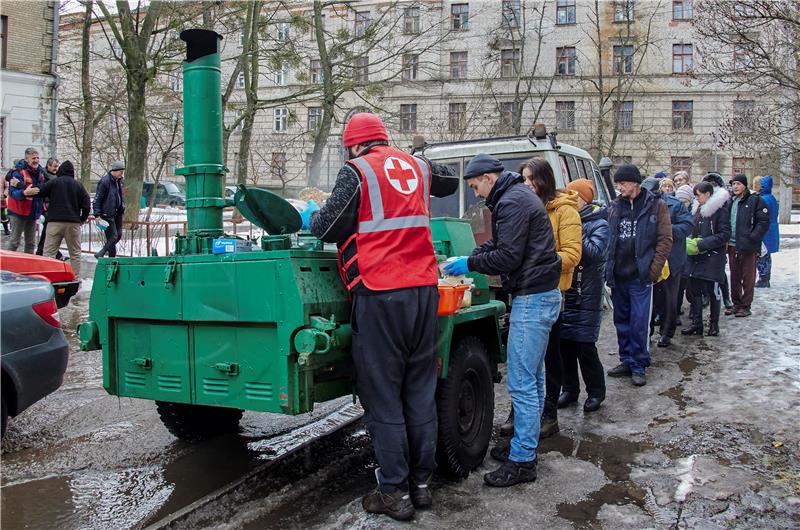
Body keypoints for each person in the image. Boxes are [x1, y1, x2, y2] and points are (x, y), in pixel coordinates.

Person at [308, 113, 455, 520]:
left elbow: (328, 228)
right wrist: (413, 156)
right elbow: (449, 179)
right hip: (424, 291)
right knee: (419, 390)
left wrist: (312, 216)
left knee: (384, 396)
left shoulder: (357, 171)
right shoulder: (416, 166)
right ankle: (421, 486)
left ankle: (393, 493)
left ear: (354, 145)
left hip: (380, 292)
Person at [444, 153, 561, 488]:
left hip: (533, 297)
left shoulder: (511, 201)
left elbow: (509, 256)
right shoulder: (517, 196)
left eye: (475, 186)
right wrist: (473, 255)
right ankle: (524, 447)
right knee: (534, 380)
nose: (476, 193)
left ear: (489, 178)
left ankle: (522, 461)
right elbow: (503, 243)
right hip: (543, 294)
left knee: (522, 383)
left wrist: (469, 264)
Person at [514, 157, 581, 439]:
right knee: (526, 361)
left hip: (551, 291)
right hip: (525, 289)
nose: (528, 184)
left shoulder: (564, 211)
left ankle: (549, 414)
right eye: (524, 179)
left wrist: (541, 261)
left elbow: (573, 254)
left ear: (545, 180)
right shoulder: (523, 208)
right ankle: (522, 414)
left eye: (533, 179)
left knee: (549, 354)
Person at [605, 164, 672, 387]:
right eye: (618, 184)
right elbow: (610, 239)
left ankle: (639, 364)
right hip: (619, 275)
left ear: (635, 183)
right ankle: (625, 359)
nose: (620, 188)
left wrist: (653, 270)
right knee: (621, 321)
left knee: (639, 322)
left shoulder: (656, 206)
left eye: (622, 183)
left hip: (641, 276)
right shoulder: (615, 206)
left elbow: (665, 240)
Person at [558, 179, 609, 413]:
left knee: (585, 347)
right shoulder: (568, 219)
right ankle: (570, 389)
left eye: (573, 195)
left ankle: (596, 391)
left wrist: (575, 230)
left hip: (587, 295)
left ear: (583, 200)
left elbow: (594, 254)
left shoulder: (600, 224)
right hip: (566, 293)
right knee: (565, 345)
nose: (569, 199)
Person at [641, 177, 693, 347]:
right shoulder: (642, 203)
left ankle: (667, 332)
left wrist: (666, 229)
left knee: (670, 298)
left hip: (672, 259)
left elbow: (687, 226)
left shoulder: (674, 205)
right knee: (649, 298)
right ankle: (647, 332)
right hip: (650, 258)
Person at [682, 182, 731, 336]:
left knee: (713, 292)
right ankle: (697, 323)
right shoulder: (698, 209)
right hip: (696, 257)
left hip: (713, 258)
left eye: (699, 195)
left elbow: (724, 235)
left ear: (708, 194)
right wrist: (690, 240)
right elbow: (693, 229)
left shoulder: (720, 210)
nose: (697, 198)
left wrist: (703, 243)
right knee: (695, 291)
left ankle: (714, 324)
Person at [30, 161, 91, 277]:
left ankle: (49, 278)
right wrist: (81, 219)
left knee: (49, 252)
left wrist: (24, 189)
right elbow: (87, 205)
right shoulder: (78, 185)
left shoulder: (54, 182)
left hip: (54, 222)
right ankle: (75, 278)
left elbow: (40, 191)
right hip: (73, 223)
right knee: (75, 253)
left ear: (60, 171)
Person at [726, 174, 769, 317]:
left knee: (748, 277)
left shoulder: (755, 201)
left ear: (744, 185)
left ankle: (745, 305)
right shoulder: (730, 201)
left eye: (738, 184)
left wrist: (752, 238)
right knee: (734, 276)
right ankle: (736, 303)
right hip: (732, 245)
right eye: (733, 184)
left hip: (748, 246)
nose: (735, 187)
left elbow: (763, 222)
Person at [702, 173, 734, 311]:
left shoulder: (725, 200)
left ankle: (726, 297)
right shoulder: (700, 200)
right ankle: (707, 296)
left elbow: (728, 223)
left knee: (719, 272)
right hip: (705, 240)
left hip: (719, 240)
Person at [6, 148, 46, 253]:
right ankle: (6, 265)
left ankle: (28, 265)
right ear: (26, 159)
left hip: (32, 213)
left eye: (37, 158)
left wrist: (22, 187)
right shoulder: (18, 173)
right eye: (33, 158)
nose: (36, 160)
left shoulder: (40, 173)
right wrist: (24, 193)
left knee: (31, 243)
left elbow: (40, 189)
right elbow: (12, 193)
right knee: (14, 241)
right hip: (18, 212)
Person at [93, 161, 126, 258]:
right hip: (107, 213)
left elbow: (121, 195)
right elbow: (97, 199)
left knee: (118, 235)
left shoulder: (119, 181)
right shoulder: (105, 181)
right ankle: (103, 253)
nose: (121, 173)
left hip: (118, 212)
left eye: (122, 171)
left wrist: (122, 205)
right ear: (114, 170)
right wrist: (97, 214)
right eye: (120, 171)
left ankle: (110, 258)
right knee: (113, 237)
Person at [754, 175, 779, 288]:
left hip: (765, 231)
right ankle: (765, 278)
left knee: (762, 254)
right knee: (766, 255)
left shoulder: (764, 199)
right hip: (771, 229)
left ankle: (763, 279)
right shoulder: (771, 197)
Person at [35, 157, 62, 257]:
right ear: (48, 166)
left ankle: (43, 251)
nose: (56, 168)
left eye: (57, 166)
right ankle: (42, 251)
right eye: (54, 166)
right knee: (48, 231)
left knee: (49, 231)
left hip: (53, 207)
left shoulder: (57, 176)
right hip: (46, 207)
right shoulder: (43, 176)